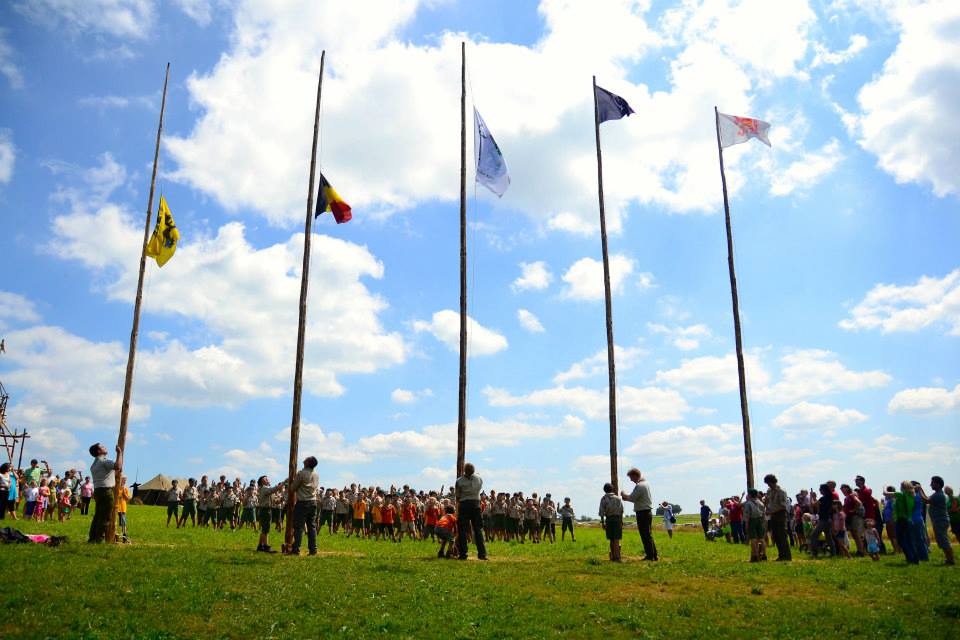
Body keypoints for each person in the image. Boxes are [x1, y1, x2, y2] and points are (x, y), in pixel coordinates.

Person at [88, 442, 122, 543]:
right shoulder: (104, 461)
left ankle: (92, 537)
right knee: (106, 516)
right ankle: (98, 539)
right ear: (99, 451)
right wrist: (119, 453)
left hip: (98, 490)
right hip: (106, 491)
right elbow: (117, 466)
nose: (105, 447)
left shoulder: (94, 464)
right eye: (102, 447)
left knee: (98, 515)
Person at [621, 468, 657, 561]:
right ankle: (653, 555)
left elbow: (632, 498)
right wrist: (627, 498)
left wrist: (624, 495)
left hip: (642, 513)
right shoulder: (646, 484)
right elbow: (634, 498)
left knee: (645, 535)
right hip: (647, 512)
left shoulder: (640, 486)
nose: (631, 480)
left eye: (631, 477)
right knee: (648, 534)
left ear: (635, 475)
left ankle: (650, 556)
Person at [455, 462, 488, 560]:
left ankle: (463, 554)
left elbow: (458, 495)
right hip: (476, 505)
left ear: (464, 471)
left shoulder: (459, 481)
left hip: (464, 505)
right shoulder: (479, 478)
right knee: (478, 529)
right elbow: (480, 486)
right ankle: (482, 554)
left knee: (462, 530)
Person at [287, 456, 319, 556]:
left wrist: (292, 480)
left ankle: (296, 549)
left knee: (299, 527)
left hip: (302, 503)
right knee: (312, 527)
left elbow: (292, 488)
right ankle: (313, 549)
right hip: (313, 502)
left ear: (308, 463)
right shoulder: (316, 474)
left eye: (306, 459)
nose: (304, 459)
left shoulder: (301, 473)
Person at [927, 476, 955, 566]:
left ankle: (950, 560)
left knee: (944, 540)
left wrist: (919, 490)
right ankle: (948, 559)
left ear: (938, 484)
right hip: (939, 520)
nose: (931, 484)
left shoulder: (939, 495)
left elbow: (926, 500)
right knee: (943, 539)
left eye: (932, 483)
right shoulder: (937, 494)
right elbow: (927, 498)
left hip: (940, 520)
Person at [763, 474, 791, 561]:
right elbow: (766, 500)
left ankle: (786, 556)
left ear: (774, 482)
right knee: (775, 535)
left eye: (769, 483)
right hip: (773, 515)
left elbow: (783, 506)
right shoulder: (769, 491)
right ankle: (781, 555)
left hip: (781, 515)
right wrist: (765, 503)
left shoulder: (781, 491)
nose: (768, 485)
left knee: (782, 535)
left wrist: (771, 511)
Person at [256, 475, 284, 553]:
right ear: (262, 481)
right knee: (266, 529)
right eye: (265, 478)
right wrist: (284, 482)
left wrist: (281, 499)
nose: (267, 479)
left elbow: (276, 501)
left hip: (267, 509)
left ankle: (260, 546)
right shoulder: (264, 488)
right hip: (265, 510)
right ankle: (266, 546)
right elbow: (274, 489)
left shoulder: (266, 489)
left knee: (264, 528)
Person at [809, 484, 836, 558]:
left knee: (814, 535)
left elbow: (812, 505)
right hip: (829, 519)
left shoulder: (822, 498)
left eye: (820, 489)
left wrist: (811, 496)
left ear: (823, 490)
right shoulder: (830, 497)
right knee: (828, 537)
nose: (819, 491)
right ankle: (833, 553)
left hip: (823, 520)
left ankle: (814, 553)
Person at [599, 483, 623, 562]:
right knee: (616, 539)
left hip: (609, 519)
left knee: (611, 539)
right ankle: (617, 557)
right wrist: (621, 521)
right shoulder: (618, 498)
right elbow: (621, 511)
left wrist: (603, 523)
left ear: (604, 490)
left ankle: (613, 556)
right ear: (612, 489)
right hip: (617, 519)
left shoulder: (604, 499)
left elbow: (602, 512)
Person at [743, 488, 765, 562]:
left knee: (753, 539)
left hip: (752, 520)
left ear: (750, 495)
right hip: (760, 521)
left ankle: (755, 556)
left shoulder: (748, 503)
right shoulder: (761, 503)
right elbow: (763, 514)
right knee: (761, 538)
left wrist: (746, 524)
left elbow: (747, 515)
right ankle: (764, 555)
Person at [117, 475, 131, 543]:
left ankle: (124, 537)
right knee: (117, 523)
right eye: (123, 480)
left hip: (123, 508)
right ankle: (115, 536)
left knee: (123, 523)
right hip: (116, 508)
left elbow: (128, 499)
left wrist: (124, 493)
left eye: (125, 480)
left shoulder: (125, 489)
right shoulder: (116, 488)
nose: (124, 481)